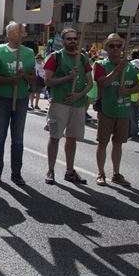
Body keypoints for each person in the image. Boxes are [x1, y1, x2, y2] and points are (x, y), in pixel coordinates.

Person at [0, 21, 36, 185]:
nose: (22, 33)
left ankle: (16, 174)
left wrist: (24, 76)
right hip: (2, 98)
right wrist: (10, 80)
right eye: (19, 31)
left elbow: (33, 77)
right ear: (9, 34)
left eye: (23, 31)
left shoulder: (29, 53)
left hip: (21, 99)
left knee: (18, 139)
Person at [42, 28, 93, 185]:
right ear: (63, 41)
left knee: (72, 138)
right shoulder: (55, 57)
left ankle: (70, 171)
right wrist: (68, 77)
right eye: (69, 39)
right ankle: (50, 170)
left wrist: (79, 95)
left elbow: (90, 83)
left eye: (74, 38)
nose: (72, 41)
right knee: (55, 136)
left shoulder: (83, 59)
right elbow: (47, 81)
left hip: (77, 104)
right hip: (59, 103)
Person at [93, 33, 139, 186]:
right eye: (111, 46)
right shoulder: (100, 65)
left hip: (123, 111)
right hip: (106, 110)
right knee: (102, 143)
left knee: (118, 143)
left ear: (122, 48)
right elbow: (104, 83)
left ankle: (116, 173)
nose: (115, 48)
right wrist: (117, 70)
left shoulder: (131, 67)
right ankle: (100, 173)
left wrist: (127, 91)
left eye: (118, 46)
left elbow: (137, 86)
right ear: (106, 48)